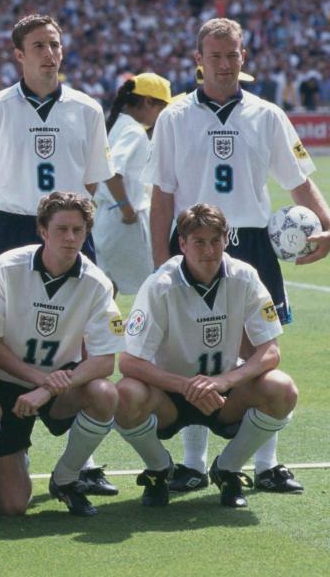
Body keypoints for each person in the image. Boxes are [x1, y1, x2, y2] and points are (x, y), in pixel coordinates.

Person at [146, 18, 330, 494]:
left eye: (233, 55)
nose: (224, 64)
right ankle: (191, 463)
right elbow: (162, 196)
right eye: (215, 56)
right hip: (191, 241)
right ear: (198, 60)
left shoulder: (267, 115)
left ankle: (264, 464)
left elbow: (299, 181)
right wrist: (158, 260)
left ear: (243, 57)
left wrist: (328, 225)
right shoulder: (174, 116)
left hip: (252, 242)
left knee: (258, 352)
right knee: (190, 350)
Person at [0, 15, 115, 500]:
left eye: (55, 44)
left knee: (80, 338)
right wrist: (18, 226)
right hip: (11, 226)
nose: (49, 53)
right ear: (18, 55)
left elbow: (90, 182)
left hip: (69, 226)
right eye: (38, 45)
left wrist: (63, 226)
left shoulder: (88, 109)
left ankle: (84, 461)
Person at [115, 204, 297, 508]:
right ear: (182, 244)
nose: (209, 249)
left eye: (215, 240)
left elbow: (270, 351)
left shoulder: (245, 276)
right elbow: (129, 362)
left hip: (223, 395)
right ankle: (159, 468)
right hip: (170, 395)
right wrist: (186, 386)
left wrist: (225, 381)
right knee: (123, 395)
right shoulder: (160, 285)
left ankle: (228, 469)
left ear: (226, 240)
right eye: (199, 241)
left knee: (282, 388)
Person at [0, 192, 125, 517]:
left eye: (78, 230)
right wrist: (38, 380)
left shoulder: (97, 282)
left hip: (60, 385)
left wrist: (46, 389)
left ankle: (67, 478)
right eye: (61, 229)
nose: (71, 237)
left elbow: (105, 361)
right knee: (13, 506)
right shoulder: (6, 267)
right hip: (8, 383)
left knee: (104, 393)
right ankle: (10, 454)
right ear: (43, 231)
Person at [92, 73, 171, 296]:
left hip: (106, 217)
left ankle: (106, 330)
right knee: (153, 287)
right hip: (123, 220)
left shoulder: (118, 123)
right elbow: (112, 172)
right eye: (162, 107)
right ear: (148, 102)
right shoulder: (134, 131)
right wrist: (126, 209)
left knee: (107, 286)